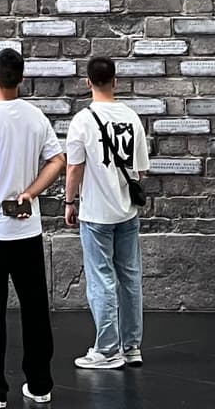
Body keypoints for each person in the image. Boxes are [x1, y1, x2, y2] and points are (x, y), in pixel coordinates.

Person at [0, 47, 66, 409]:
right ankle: (39, 384)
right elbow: (58, 160)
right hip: (28, 232)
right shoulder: (35, 117)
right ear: (21, 79)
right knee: (35, 309)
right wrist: (31, 192)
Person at [64, 56, 150, 371]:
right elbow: (141, 171)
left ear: (88, 82)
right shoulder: (132, 117)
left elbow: (74, 168)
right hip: (127, 211)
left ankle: (107, 349)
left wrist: (69, 202)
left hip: (95, 212)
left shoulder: (82, 120)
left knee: (101, 279)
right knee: (130, 277)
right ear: (115, 81)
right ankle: (132, 347)